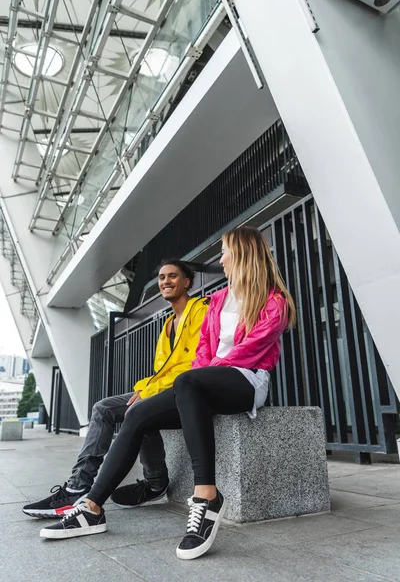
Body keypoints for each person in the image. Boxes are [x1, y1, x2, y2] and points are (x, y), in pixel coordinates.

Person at [40, 227, 295, 562]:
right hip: (204, 383)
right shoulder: (218, 300)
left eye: (225, 252)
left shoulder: (274, 301)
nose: (221, 259)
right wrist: (199, 375)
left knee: (188, 382)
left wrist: (202, 374)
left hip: (247, 381)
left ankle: (206, 496)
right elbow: (203, 350)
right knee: (138, 413)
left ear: (243, 254)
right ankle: (91, 506)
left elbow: (251, 350)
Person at [23, 259, 208, 518]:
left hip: (189, 393)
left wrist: (149, 390)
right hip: (165, 389)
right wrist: (146, 387)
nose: (165, 281)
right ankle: (79, 486)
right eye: (162, 277)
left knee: (137, 409)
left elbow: (196, 362)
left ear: (187, 282)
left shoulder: (202, 310)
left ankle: (154, 483)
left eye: (173, 276)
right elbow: (162, 370)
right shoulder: (168, 325)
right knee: (105, 408)